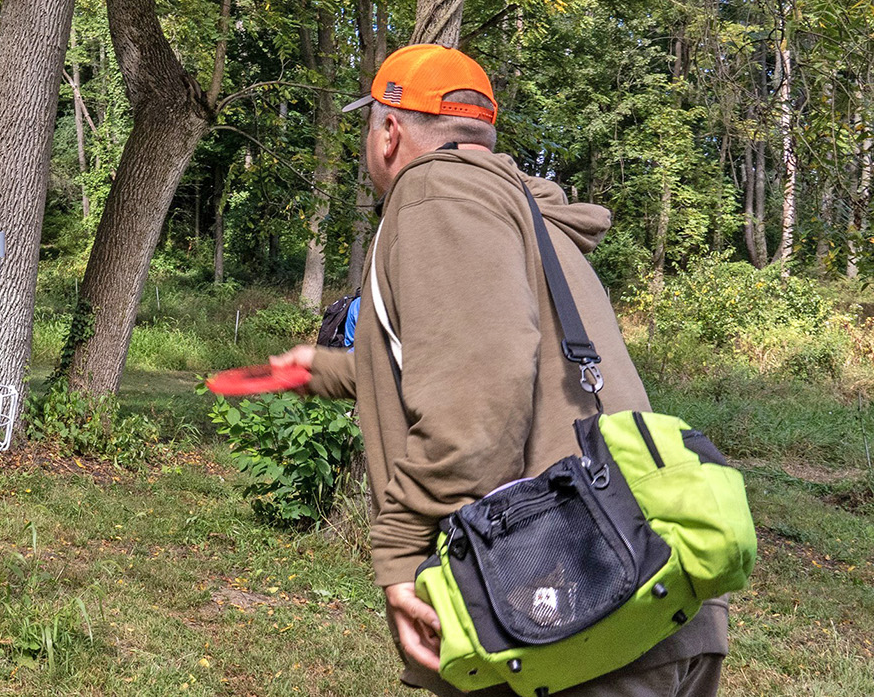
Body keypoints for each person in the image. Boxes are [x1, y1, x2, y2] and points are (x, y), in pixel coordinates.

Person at [271, 44, 728, 696]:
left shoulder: (435, 191)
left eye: (369, 126)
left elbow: (477, 401)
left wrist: (398, 547)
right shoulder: (521, 209)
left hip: (569, 610)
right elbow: (490, 352)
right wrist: (330, 368)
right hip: (648, 589)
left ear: (390, 131)